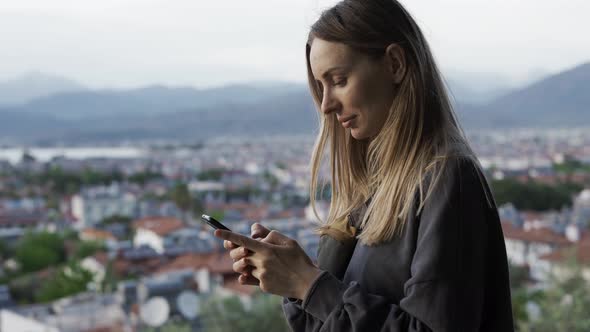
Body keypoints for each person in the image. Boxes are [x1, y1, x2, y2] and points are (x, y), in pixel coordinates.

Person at [214, 0, 515, 331]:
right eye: (320, 86)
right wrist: (293, 280)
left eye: (339, 80)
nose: (326, 104)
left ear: (395, 64)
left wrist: (308, 284)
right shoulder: (371, 185)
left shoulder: (446, 179)